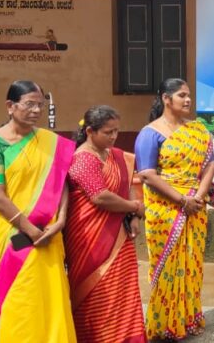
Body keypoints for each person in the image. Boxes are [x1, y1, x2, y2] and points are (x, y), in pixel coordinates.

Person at [0, 80, 76, 342]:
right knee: (20, 302)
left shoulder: (49, 141)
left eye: (40, 105)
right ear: (10, 106)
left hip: (49, 234)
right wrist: (31, 231)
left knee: (51, 300)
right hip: (16, 238)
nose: (36, 110)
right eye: (29, 104)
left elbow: (62, 181)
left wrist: (61, 219)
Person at [135, 78, 214, 340]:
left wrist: (199, 196)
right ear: (165, 98)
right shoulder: (150, 133)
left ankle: (187, 319)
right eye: (182, 95)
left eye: (189, 95)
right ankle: (164, 325)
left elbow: (210, 164)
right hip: (165, 210)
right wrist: (183, 200)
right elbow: (147, 174)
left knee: (192, 262)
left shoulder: (197, 130)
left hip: (195, 206)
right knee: (167, 266)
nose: (188, 99)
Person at [65, 106, 146, 343]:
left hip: (119, 234)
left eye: (116, 131)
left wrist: (135, 216)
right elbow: (100, 197)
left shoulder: (116, 156)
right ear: (90, 131)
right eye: (108, 132)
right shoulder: (82, 159)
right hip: (89, 238)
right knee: (97, 291)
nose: (113, 136)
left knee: (122, 291)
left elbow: (128, 183)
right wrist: (134, 207)